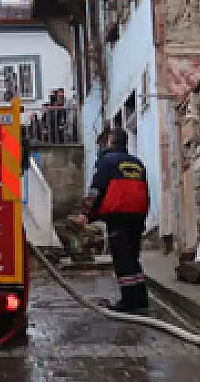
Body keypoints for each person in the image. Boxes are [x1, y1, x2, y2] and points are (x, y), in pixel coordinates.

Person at [74, 127, 150, 312]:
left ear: (109, 141)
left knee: (123, 261)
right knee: (133, 258)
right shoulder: (137, 163)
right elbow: (144, 192)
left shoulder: (106, 161)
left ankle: (129, 303)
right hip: (137, 215)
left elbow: (96, 191)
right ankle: (140, 299)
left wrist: (85, 214)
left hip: (118, 216)